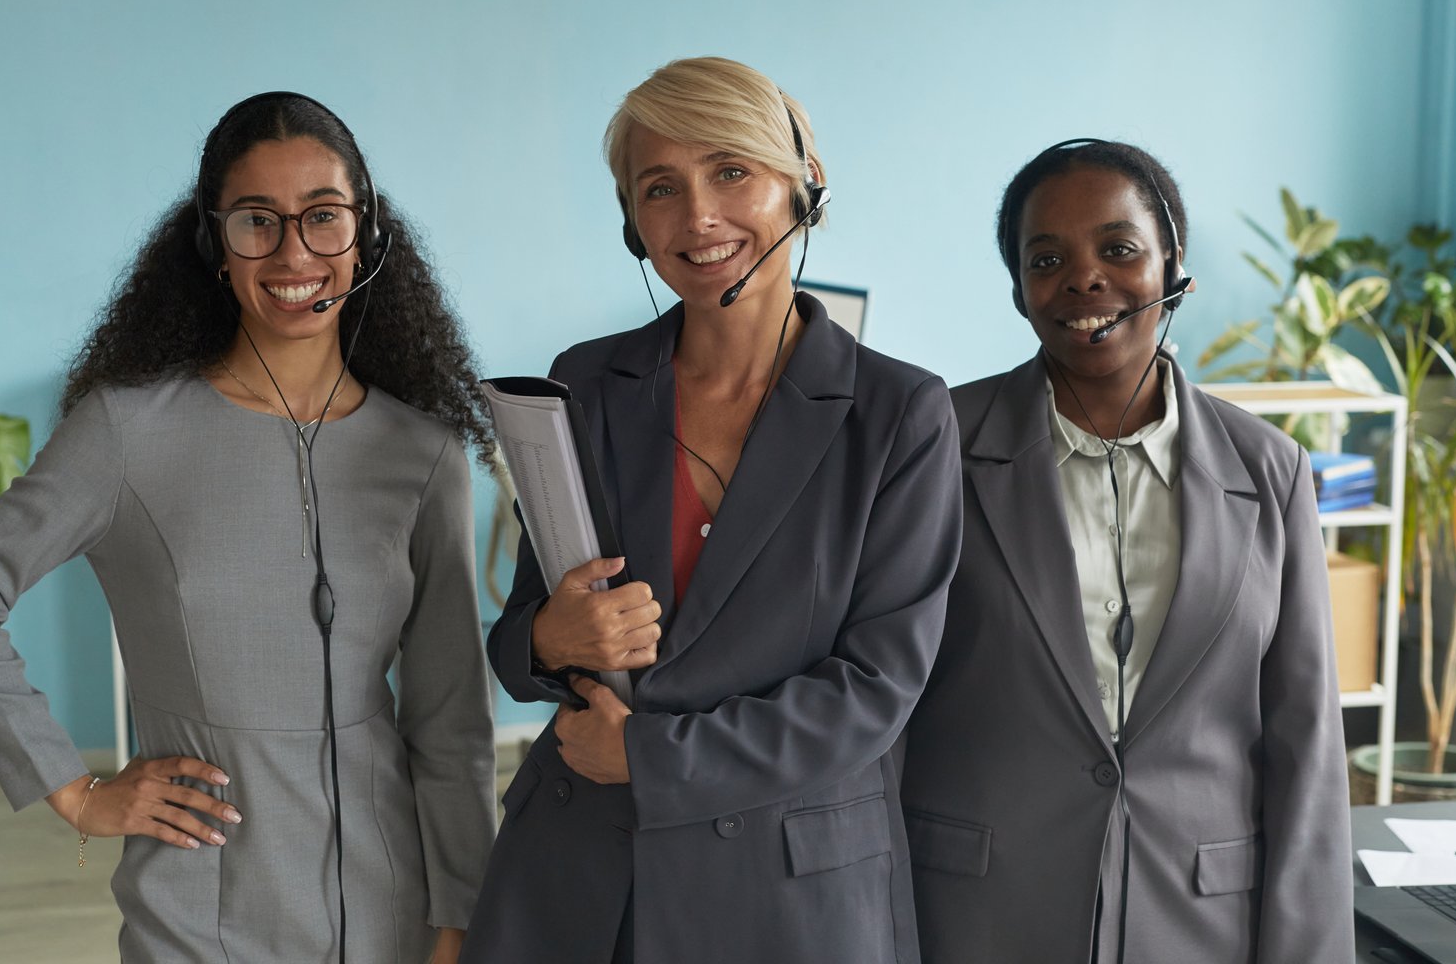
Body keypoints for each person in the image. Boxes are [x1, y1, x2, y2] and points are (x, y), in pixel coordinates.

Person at [0, 92, 497, 963]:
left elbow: (451, 721)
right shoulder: (127, 432)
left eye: (323, 217)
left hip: (394, 909)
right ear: (212, 243)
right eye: (257, 220)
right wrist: (76, 792)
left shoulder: (421, 453)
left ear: (365, 233)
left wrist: (458, 918)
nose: (294, 252)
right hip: (202, 913)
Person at [459, 57, 963, 964]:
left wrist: (653, 759)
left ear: (803, 184)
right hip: (580, 880)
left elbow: (876, 689)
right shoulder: (588, 383)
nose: (697, 216)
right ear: (631, 223)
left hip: (786, 892)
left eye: (731, 170)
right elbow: (522, 637)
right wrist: (548, 640)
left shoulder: (901, 414)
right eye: (661, 188)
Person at [900, 139, 1353, 963]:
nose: (1084, 278)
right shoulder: (936, 445)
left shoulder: (1270, 468)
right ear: (1018, 290)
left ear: (1173, 264)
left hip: (1201, 924)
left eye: (1119, 248)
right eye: (1047, 258)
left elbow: (1306, 742)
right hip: (974, 918)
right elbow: (882, 708)